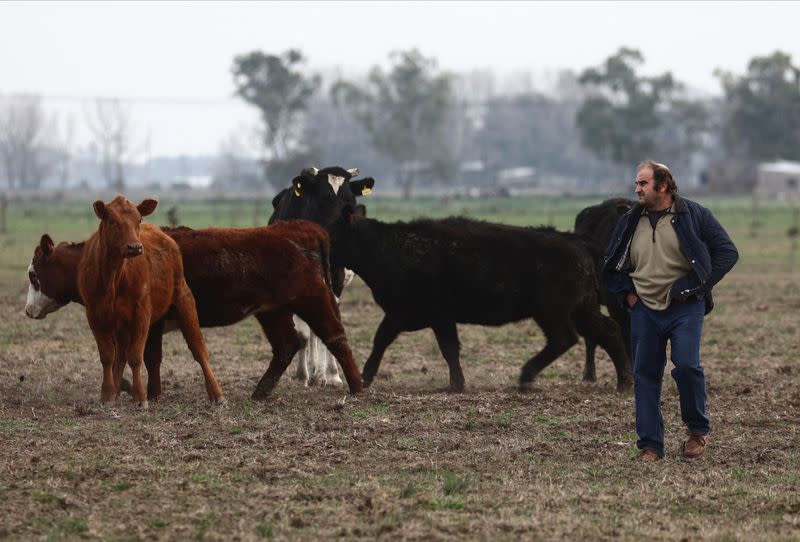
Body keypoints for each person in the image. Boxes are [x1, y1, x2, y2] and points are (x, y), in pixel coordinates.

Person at [601, 160, 738, 461]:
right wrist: (628, 296)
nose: (636, 189)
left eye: (643, 183)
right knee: (645, 374)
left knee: (687, 366)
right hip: (644, 310)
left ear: (662, 186)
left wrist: (696, 285)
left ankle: (697, 432)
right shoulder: (629, 220)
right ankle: (651, 446)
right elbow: (609, 265)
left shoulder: (693, 214)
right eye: (637, 183)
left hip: (685, 307)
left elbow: (727, 252)